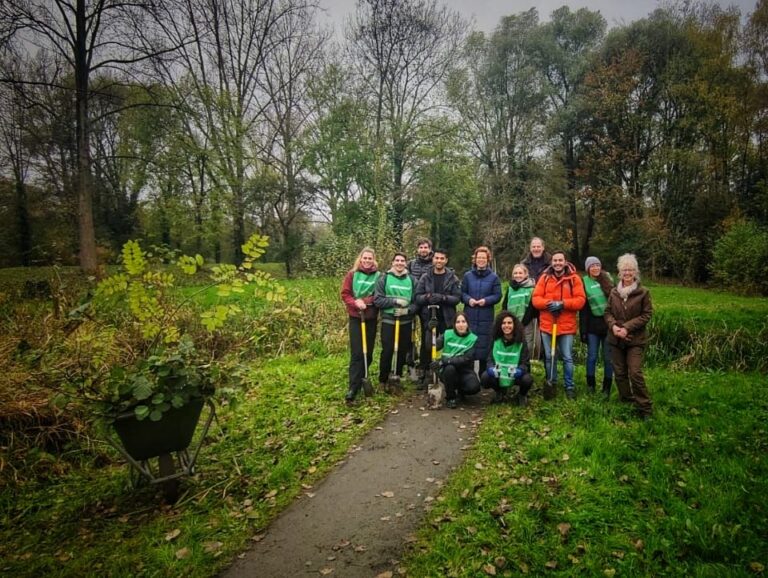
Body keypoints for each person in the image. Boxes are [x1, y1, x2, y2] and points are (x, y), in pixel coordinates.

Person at [604, 253, 653, 420]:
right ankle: (626, 400)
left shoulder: (643, 292)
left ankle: (645, 407)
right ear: (619, 272)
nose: (627, 273)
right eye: (624, 269)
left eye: (630, 269)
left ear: (635, 272)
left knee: (635, 372)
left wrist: (626, 327)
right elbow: (608, 313)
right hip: (616, 339)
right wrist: (614, 327)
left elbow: (646, 315)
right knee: (619, 372)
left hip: (635, 340)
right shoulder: (614, 292)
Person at [532, 250, 586, 399]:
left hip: (566, 325)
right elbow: (536, 299)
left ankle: (569, 386)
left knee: (567, 357)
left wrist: (563, 304)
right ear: (552, 262)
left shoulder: (574, 279)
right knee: (550, 357)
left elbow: (580, 300)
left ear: (565, 261)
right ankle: (551, 382)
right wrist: (548, 304)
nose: (557, 263)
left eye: (560, 260)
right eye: (555, 260)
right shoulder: (544, 278)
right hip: (548, 324)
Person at [415, 248, 462, 388]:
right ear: (433, 259)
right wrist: (428, 297)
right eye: (437, 258)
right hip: (429, 317)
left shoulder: (452, 278)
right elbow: (417, 297)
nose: (439, 261)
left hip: (447, 317)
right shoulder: (425, 277)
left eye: (442, 258)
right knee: (428, 345)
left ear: (446, 260)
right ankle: (427, 374)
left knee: (447, 345)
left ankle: (447, 374)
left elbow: (457, 298)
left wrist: (443, 297)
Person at [340, 248, 380, 404]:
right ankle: (353, 387)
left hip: (370, 318)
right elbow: (345, 293)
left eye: (370, 258)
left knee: (367, 353)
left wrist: (367, 302)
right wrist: (355, 302)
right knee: (357, 353)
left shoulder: (378, 276)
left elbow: (378, 294)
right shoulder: (352, 274)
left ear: (373, 260)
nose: (367, 260)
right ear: (360, 259)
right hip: (356, 318)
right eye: (365, 258)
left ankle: (364, 378)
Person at [374, 252, 417, 394]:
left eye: (402, 261)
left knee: (402, 351)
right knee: (387, 350)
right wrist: (394, 302)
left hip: (405, 321)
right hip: (389, 320)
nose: (399, 263)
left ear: (406, 263)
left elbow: (417, 302)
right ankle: (383, 379)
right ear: (392, 263)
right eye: (397, 260)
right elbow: (378, 300)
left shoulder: (412, 280)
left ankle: (397, 377)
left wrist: (408, 311)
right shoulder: (384, 278)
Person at [461, 246, 502, 373]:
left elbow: (497, 295)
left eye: (484, 258)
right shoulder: (467, 276)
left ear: (488, 259)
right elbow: (462, 293)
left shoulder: (494, 277)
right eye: (479, 258)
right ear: (475, 259)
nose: (481, 260)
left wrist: (486, 301)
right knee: (469, 344)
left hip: (486, 316)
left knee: (485, 345)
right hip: (470, 315)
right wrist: (469, 300)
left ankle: (484, 375)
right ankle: (469, 375)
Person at [480, 311, 533, 406]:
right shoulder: (495, 340)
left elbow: (525, 363)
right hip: (499, 373)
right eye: (503, 323)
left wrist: (520, 370)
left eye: (509, 323)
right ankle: (499, 392)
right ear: (499, 326)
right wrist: (491, 368)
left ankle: (521, 395)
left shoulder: (521, 342)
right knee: (485, 377)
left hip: (514, 375)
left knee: (527, 379)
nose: (506, 326)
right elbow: (489, 359)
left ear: (514, 325)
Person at [579, 256, 614, 396]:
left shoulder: (608, 279)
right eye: (592, 266)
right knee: (592, 356)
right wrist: (583, 330)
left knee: (608, 358)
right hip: (593, 325)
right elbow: (583, 309)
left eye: (597, 265)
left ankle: (606, 388)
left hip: (608, 324)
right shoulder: (584, 282)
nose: (595, 268)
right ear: (588, 268)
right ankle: (591, 386)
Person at [432, 312, 481, 408]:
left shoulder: (473, 339)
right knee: (450, 369)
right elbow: (432, 347)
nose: (461, 324)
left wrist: (444, 361)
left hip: (465, 370)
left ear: (467, 324)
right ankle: (450, 397)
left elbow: (466, 359)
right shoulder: (447, 334)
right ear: (454, 324)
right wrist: (430, 330)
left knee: (474, 387)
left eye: (463, 321)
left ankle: (461, 392)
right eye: (458, 322)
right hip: (447, 370)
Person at [407, 238, 434, 380]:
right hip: (412, 301)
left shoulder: (434, 263)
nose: (423, 250)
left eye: (426, 247)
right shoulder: (411, 264)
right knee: (408, 333)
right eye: (421, 247)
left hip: (425, 303)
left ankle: (425, 365)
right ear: (417, 249)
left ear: (430, 249)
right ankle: (409, 361)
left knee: (426, 335)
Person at [501, 263, 537, 359]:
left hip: (526, 323)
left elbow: (532, 308)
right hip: (511, 323)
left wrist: (523, 323)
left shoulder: (531, 289)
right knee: (512, 346)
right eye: (515, 273)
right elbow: (505, 305)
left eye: (520, 273)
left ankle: (525, 367)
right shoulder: (510, 288)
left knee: (526, 346)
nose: (518, 275)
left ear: (526, 274)